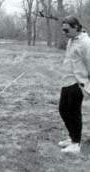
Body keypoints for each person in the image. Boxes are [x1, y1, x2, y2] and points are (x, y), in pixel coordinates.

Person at [58, 16, 90, 153]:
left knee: (73, 113)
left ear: (76, 27)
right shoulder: (71, 41)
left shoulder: (86, 43)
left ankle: (76, 144)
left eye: (66, 30)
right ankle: (71, 137)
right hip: (67, 81)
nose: (64, 33)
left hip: (77, 83)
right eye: (62, 30)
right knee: (63, 110)